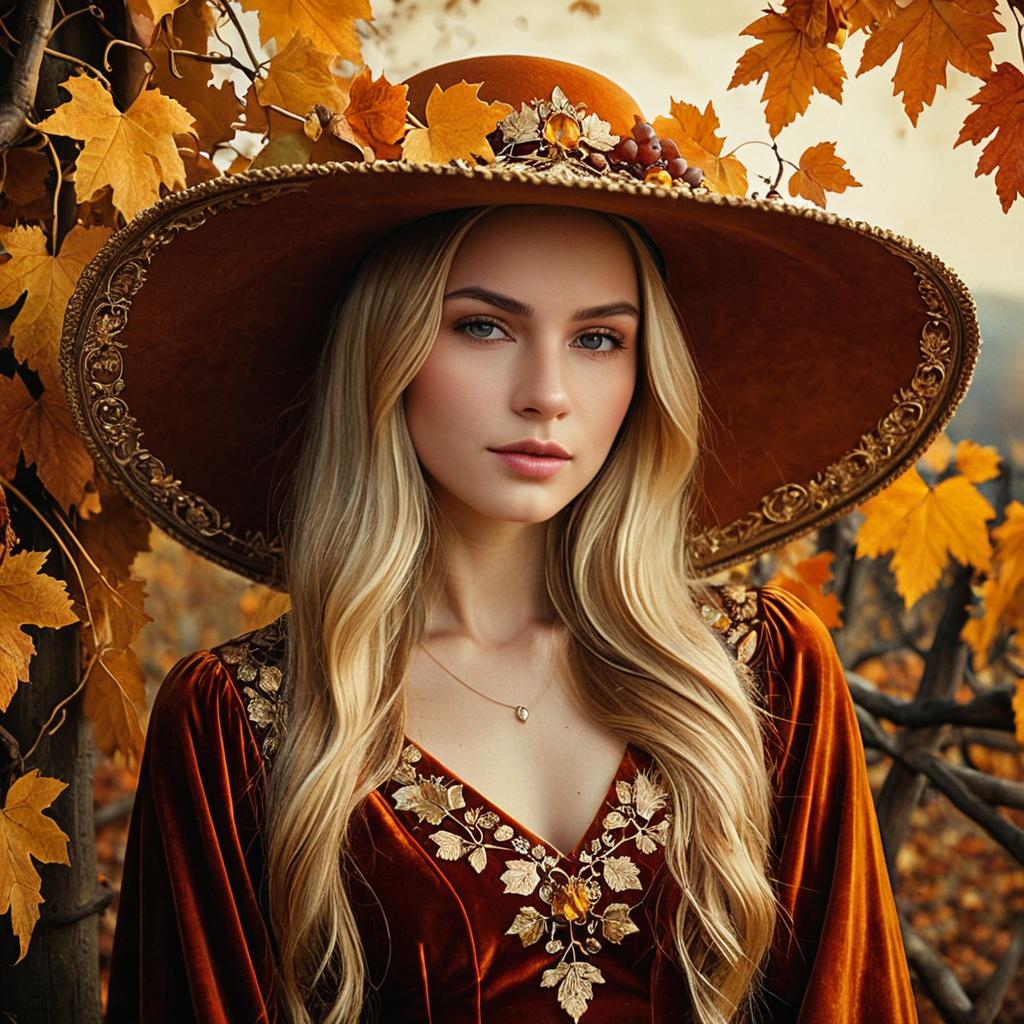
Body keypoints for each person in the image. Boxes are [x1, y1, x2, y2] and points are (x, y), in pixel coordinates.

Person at [61, 53, 980, 1024]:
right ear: (387, 348)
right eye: (484, 327)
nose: (547, 393)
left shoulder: (765, 675)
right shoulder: (239, 726)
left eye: (597, 339)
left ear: (644, 375)